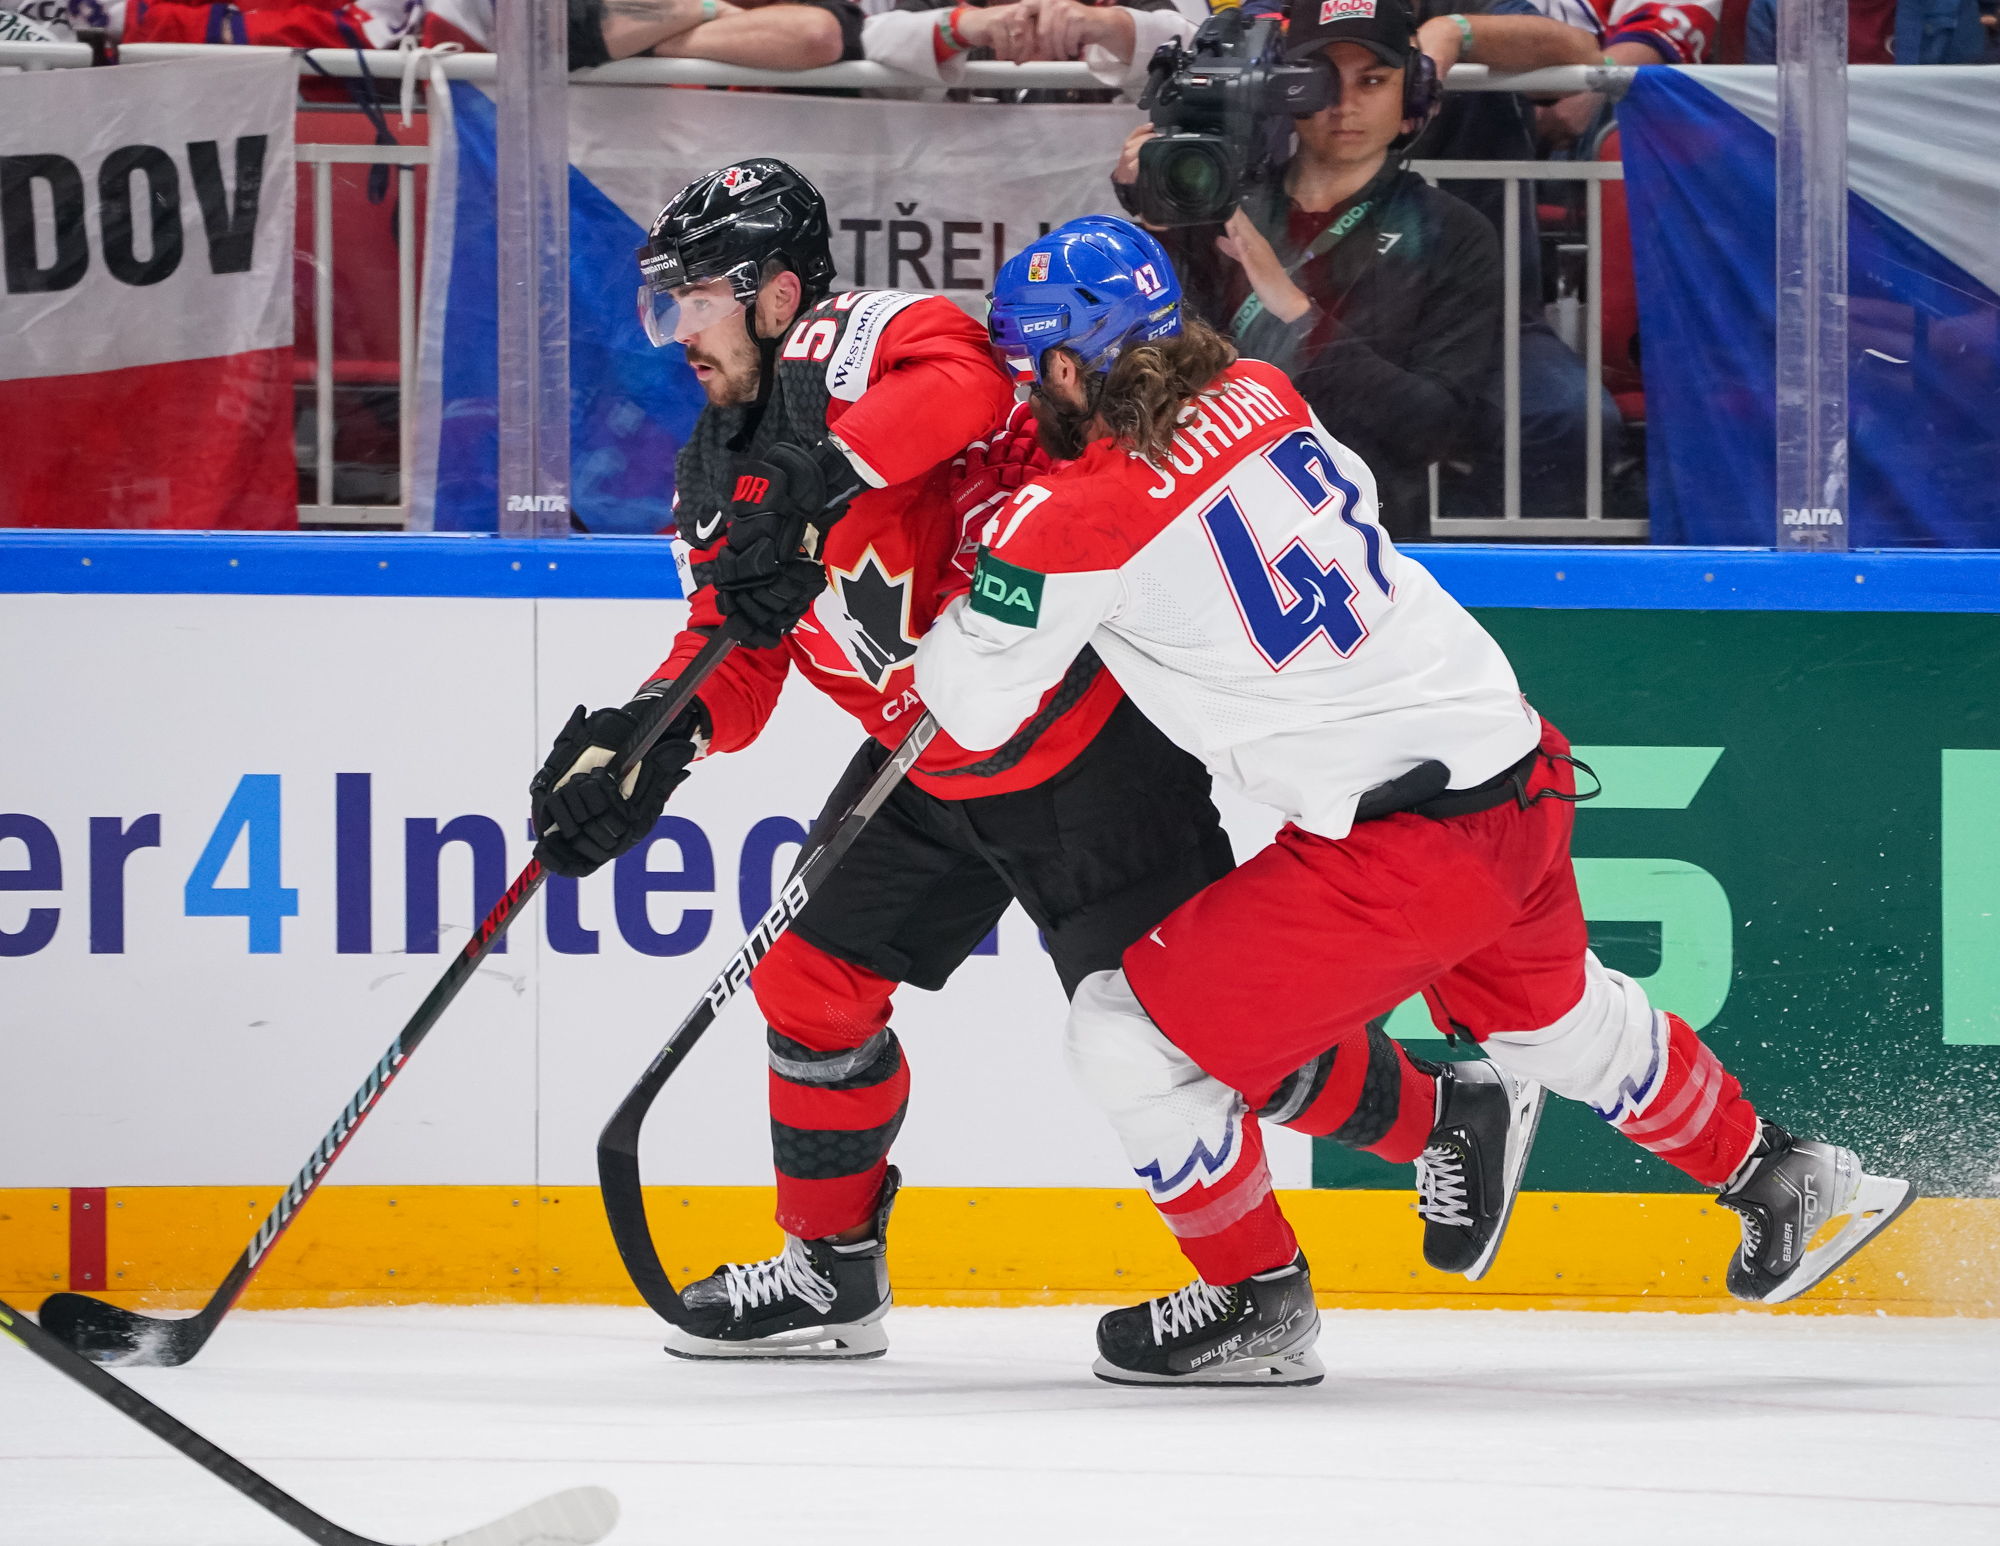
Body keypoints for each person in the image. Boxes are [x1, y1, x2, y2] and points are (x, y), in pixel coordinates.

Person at [911, 216, 1916, 1386]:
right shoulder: (1257, 388)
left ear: (1071, 368)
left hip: (1406, 842)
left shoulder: (1063, 524)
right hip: (1512, 770)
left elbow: (967, 707)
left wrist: (981, 554)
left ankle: (1254, 1299)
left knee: (1123, 1036)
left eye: (1035, 367)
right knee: (1557, 1023)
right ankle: (1786, 1176)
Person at [532, 159, 1242, 1361]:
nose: (679, 334)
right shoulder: (711, 473)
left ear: (776, 293)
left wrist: (825, 473)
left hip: (1081, 753)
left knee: (1207, 1025)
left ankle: (1408, 1145)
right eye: (670, 306)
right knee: (808, 982)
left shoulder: (866, 338)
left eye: (698, 298)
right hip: (920, 765)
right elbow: (736, 645)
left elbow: (969, 379)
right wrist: (650, 741)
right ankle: (829, 1271)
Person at [1116, 0, 1503, 541]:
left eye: (1372, 80)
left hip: (1369, 538)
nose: (1344, 104)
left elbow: (1431, 428)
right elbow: (1147, 381)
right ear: (1282, 90)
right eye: (1319, 81)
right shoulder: (1210, 204)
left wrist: (1295, 311)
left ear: (1412, 92)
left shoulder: (1452, 233)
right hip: (1211, 524)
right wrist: (1155, 224)